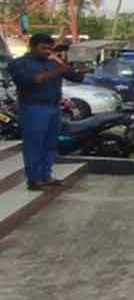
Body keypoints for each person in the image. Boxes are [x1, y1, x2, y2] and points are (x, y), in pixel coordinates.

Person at [8, 33, 84, 190]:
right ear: (32, 47)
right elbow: (33, 80)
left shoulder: (53, 62)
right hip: (33, 107)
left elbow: (76, 78)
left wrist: (66, 65)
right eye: (43, 48)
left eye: (50, 48)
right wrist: (59, 69)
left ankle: (46, 175)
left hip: (54, 107)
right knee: (34, 144)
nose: (47, 52)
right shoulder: (19, 64)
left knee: (50, 144)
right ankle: (34, 179)